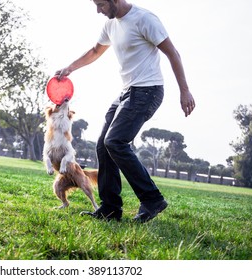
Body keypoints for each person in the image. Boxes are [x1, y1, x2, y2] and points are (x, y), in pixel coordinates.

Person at [55, 0, 195, 223]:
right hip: (127, 92)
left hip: (148, 91)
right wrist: (70, 68)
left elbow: (173, 53)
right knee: (103, 144)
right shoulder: (111, 25)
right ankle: (110, 208)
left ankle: (152, 199)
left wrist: (185, 91)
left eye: (100, 4)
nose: (98, 10)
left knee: (116, 142)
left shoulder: (144, 18)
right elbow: (95, 51)